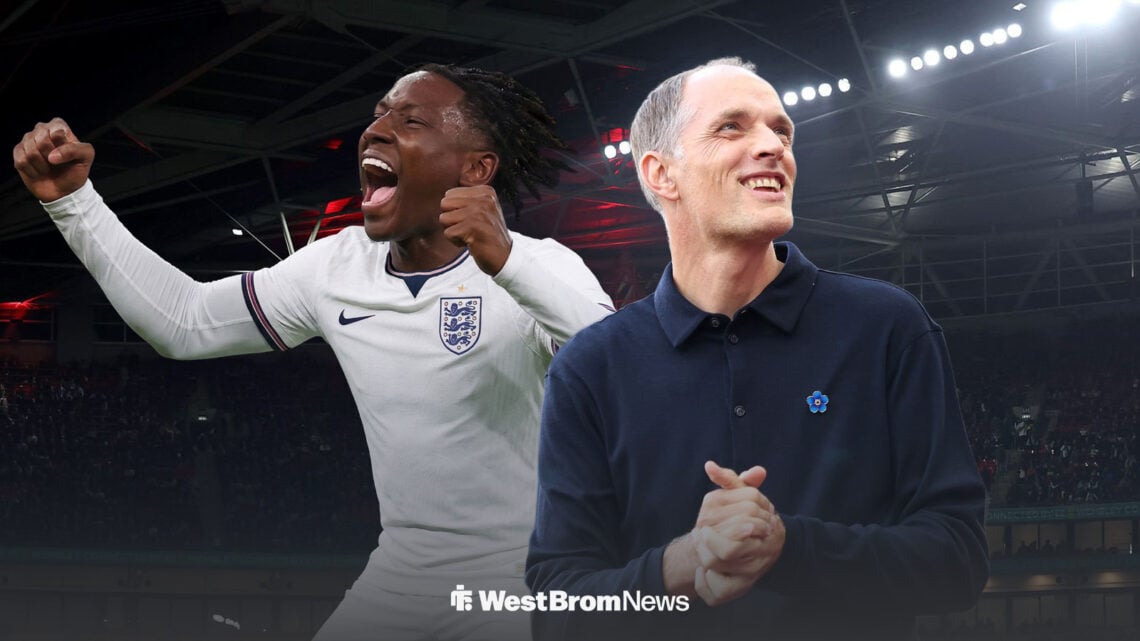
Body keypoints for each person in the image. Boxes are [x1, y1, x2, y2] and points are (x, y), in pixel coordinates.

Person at [13, 63, 613, 641]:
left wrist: (506, 263)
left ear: (476, 169)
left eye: (411, 122)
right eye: (379, 116)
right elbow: (185, 323)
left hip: (524, 573)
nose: (375, 131)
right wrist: (74, 203)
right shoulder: (333, 267)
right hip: (403, 566)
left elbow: (617, 378)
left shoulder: (542, 266)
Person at [526, 57, 988, 640]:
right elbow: (559, 608)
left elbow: (958, 561)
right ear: (661, 174)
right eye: (732, 127)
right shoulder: (589, 367)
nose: (773, 146)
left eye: (782, 131)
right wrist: (682, 564)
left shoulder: (888, 327)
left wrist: (786, 546)